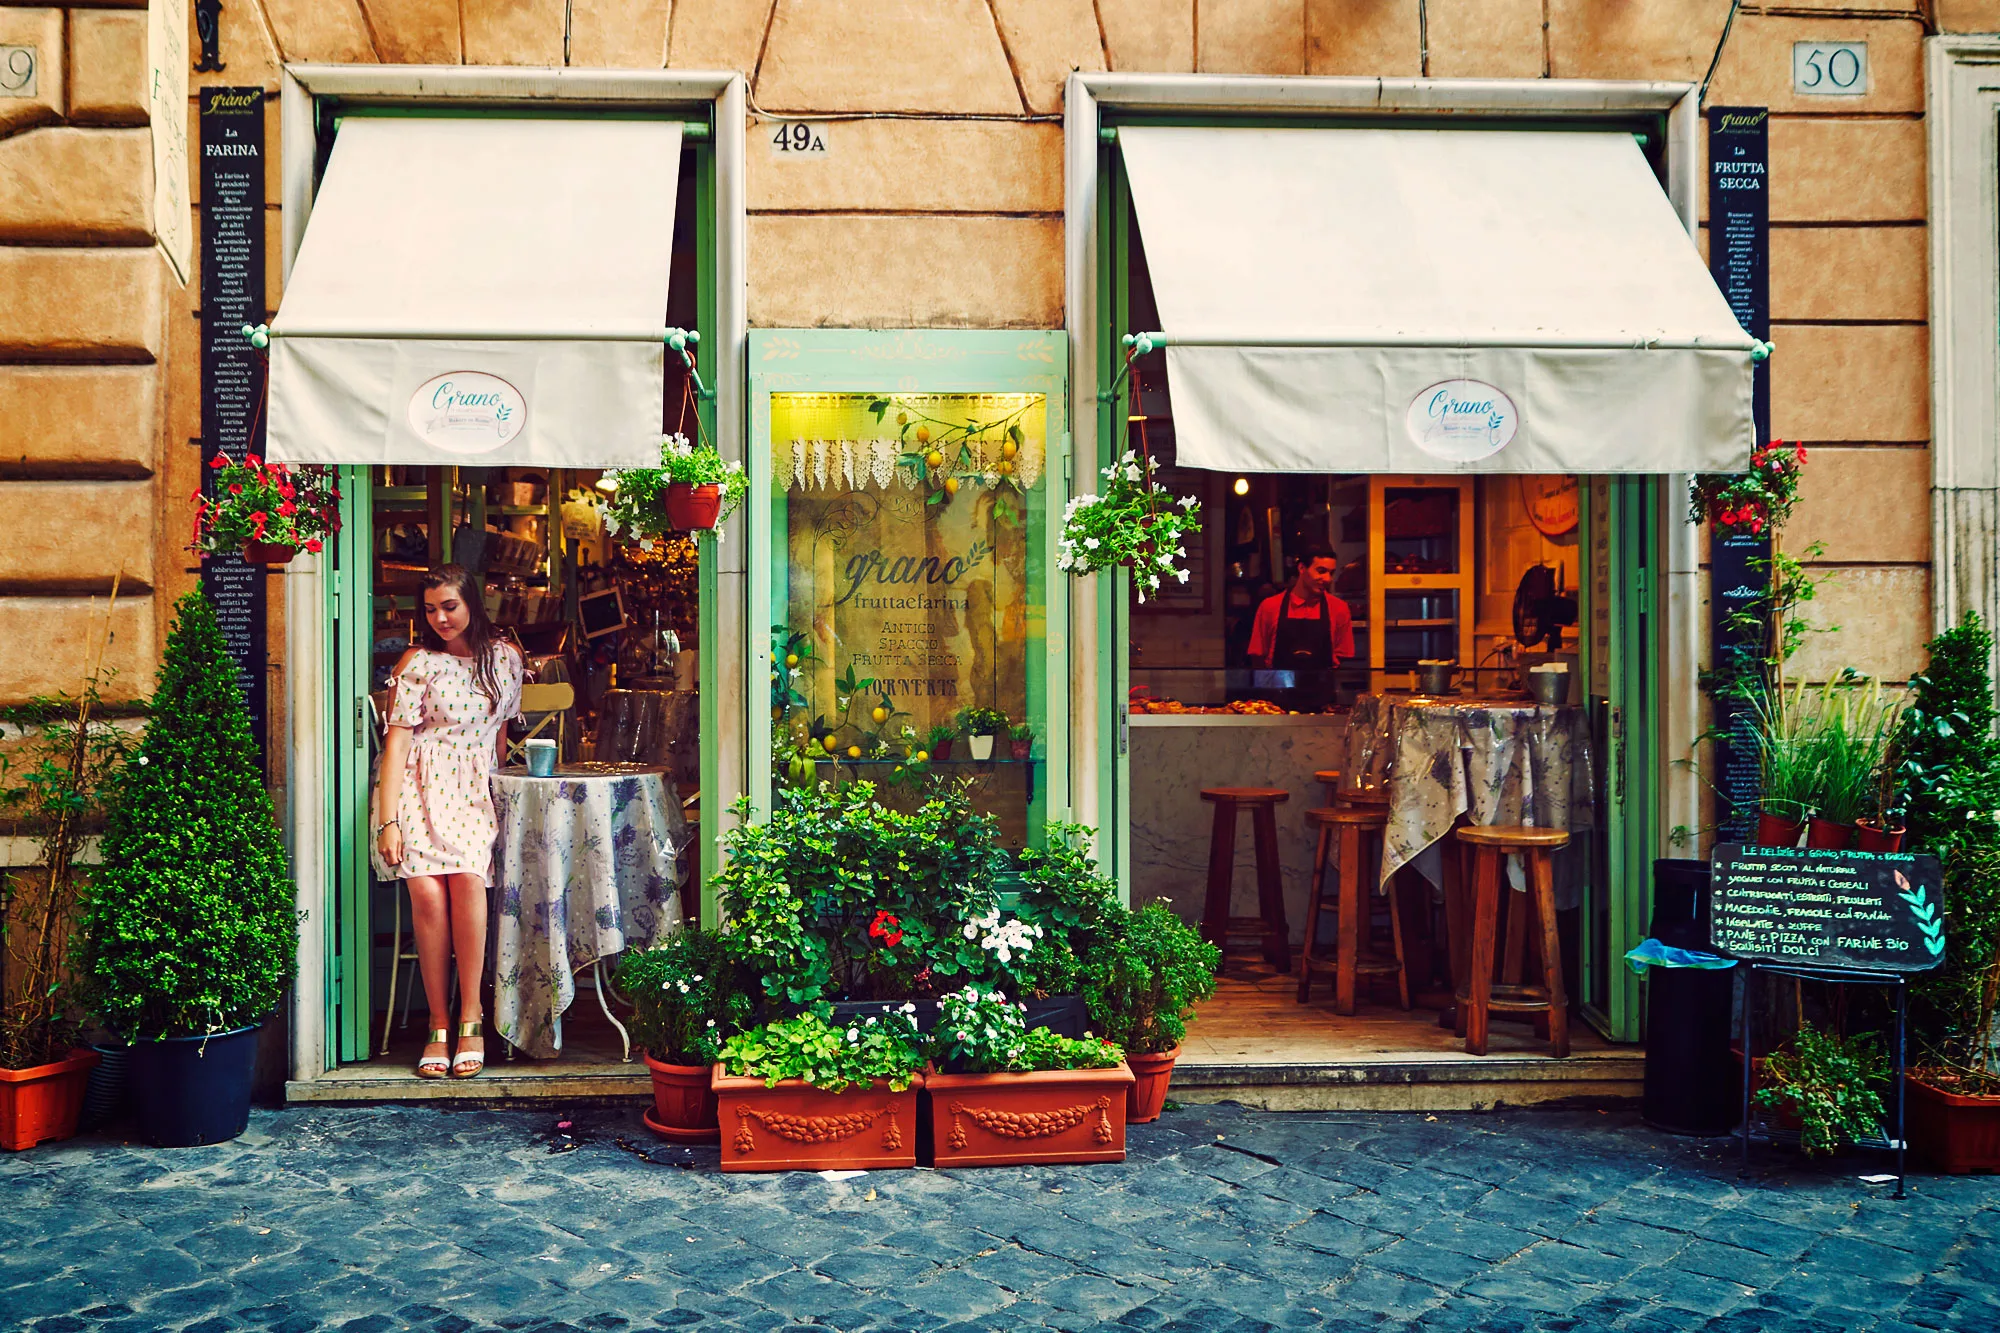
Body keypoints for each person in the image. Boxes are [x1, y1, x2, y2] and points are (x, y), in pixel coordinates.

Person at [373, 565, 524, 1078]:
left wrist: (499, 793)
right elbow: (396, 746)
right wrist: (386, 820)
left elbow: (499, 739)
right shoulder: (418, 662)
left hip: (475, 790)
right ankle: (438, 1023)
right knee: (426, 892)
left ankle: (472, 1016)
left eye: (450, 606)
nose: (439, 618)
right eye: (431, 609)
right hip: (419, 786)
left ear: (472, 604)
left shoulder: (503, 658)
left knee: (467, 879)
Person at [1247, 540, 1355, 711]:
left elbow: (1341, 659)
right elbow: (1258, 659)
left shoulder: (1339, 609)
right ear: (1302, 568)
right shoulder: (1270, 607)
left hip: (1322, 705)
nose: (1327, 579)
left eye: (1331, 573)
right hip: (1277, 705)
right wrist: (1264, 702)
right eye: (1321, 571)